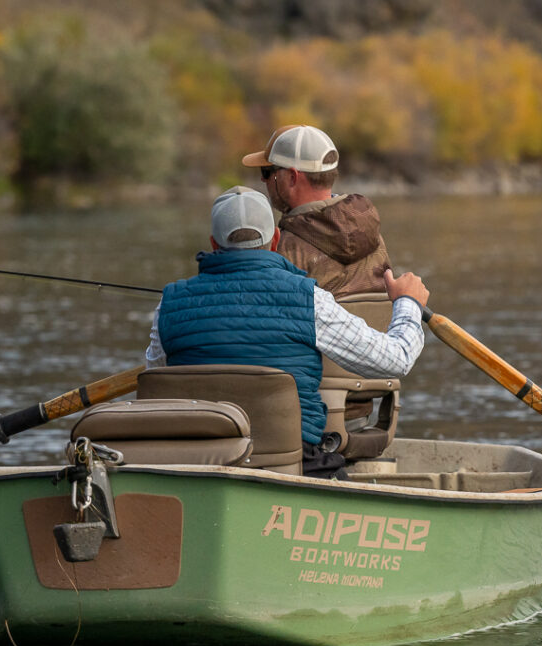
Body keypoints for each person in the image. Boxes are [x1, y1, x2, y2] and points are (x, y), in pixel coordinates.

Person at [145, 187, 428, 480]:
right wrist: (409, 303)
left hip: (199, 465)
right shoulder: (308, 298)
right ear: (275, 241)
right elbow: (397, 359)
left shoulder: (169, 303)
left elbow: (158, 379)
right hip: (297, 464)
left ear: (214, 243)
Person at [242, 125, 392, 299]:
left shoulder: (281, 253)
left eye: (267, 172)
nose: (263, 179)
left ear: (292, 177)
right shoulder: (374, 237)